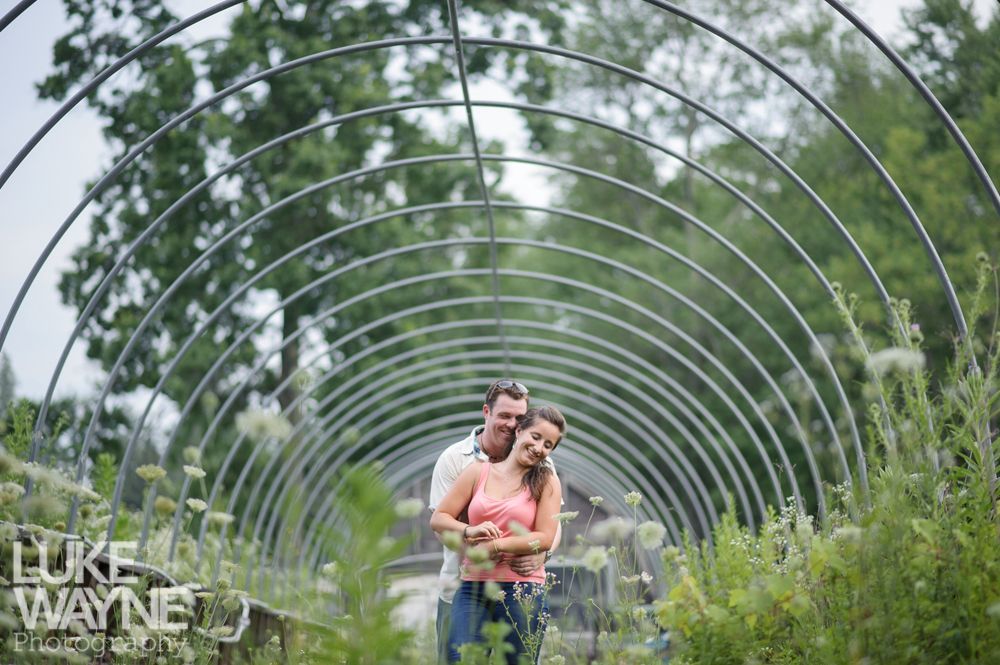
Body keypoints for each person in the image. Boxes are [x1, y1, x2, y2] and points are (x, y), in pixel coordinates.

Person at [428, 380, 561, 663]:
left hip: (521, 587)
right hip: (464, 584)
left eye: (518, 418)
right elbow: (440, 521)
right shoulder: (460, 462)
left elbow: (550, 529)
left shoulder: (545, 472)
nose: (512, 424)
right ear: (486, 412)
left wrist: (540, 553)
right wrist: (472, 539)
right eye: (505, 416)